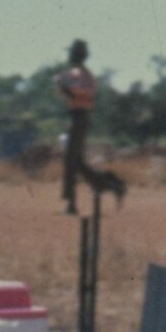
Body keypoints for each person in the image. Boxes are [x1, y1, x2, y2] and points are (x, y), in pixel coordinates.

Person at [55, 40, 99, 215]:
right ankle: (101, 183)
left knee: (71, 160)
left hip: (79, 116)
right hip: (78, 116)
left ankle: (71, 204)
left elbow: (81, 93)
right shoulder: (83, 74)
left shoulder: (80, 74)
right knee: (75, 161)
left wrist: (64, 88)